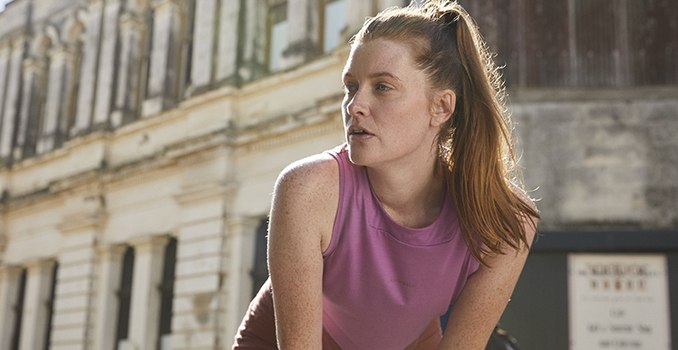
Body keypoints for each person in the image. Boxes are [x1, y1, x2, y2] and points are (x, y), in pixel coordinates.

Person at [232, 0, 539, 348]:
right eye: (351, 87)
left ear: (441, 107)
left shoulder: (507, 223)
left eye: (382, 87)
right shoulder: (307, 188)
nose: (354, 106)